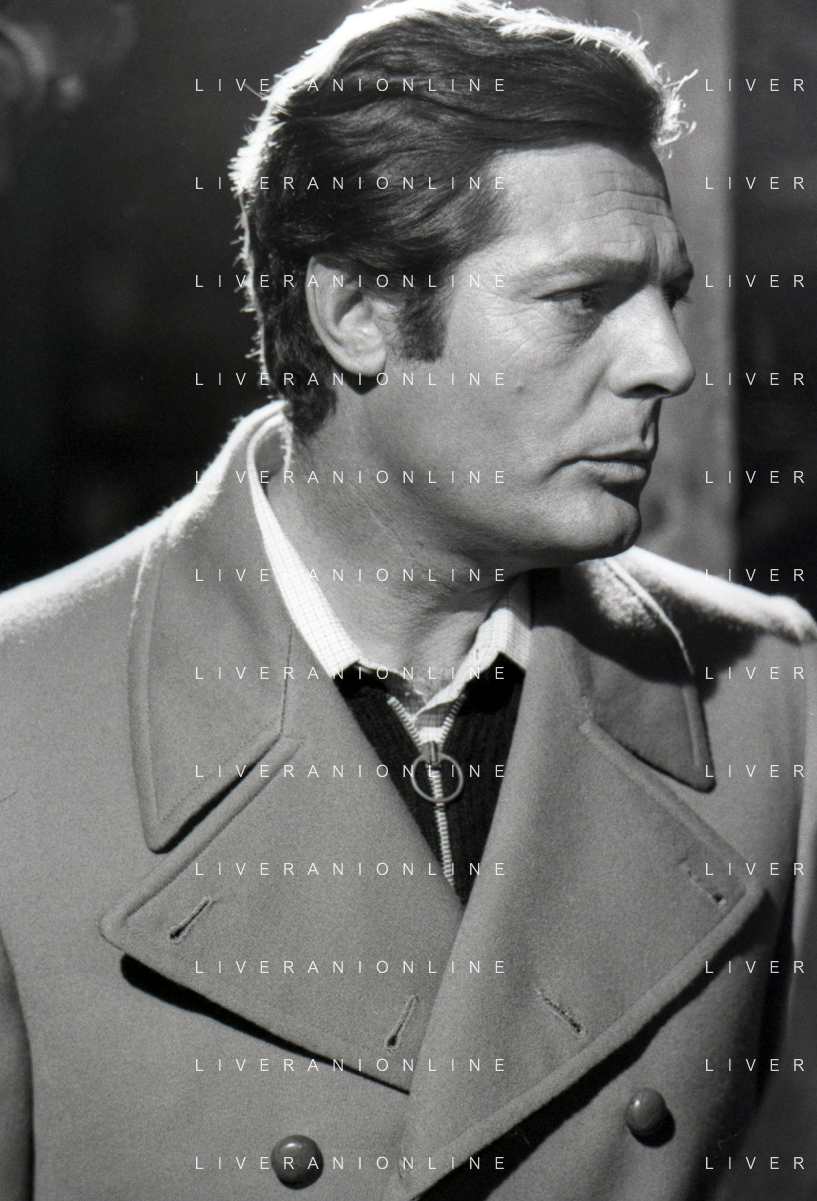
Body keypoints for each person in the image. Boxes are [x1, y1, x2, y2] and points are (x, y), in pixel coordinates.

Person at [0, 1, 814, 1197]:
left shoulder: (774, 701)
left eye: (667, 295)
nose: (667, 361)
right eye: (582, 298)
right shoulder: (19, 725)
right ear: (358, 315)